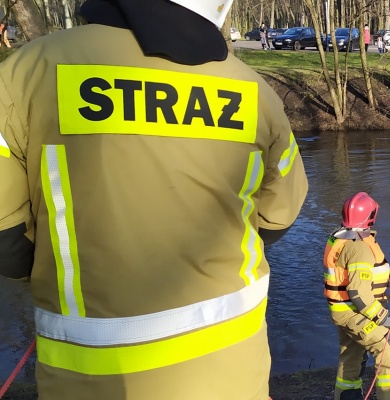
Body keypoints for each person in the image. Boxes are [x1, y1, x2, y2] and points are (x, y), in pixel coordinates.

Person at [0, 0, 309, 399]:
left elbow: (7, 238)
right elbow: (278, 216)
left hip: (91, 379)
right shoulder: (255, 91)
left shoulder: (27, 73)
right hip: (235, 369)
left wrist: (62, 273)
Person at [325, 192, 390, 400]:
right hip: (354, 312)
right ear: (370, 216)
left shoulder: (339, 238)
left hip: (342, 311)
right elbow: (358, 292)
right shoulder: (359, 247)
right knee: (388, 346)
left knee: (351, 355)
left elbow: (351, 275)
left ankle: (346, 395)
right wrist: (383, 318)